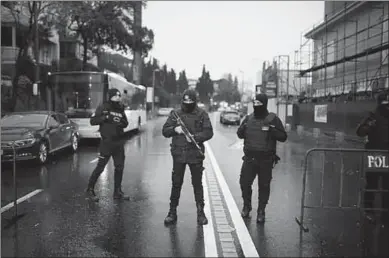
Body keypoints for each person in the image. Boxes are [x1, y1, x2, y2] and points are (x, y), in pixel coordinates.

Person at [162, 89, 214, 225]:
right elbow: (165, 131)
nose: (188, 103)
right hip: (179, 154)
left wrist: (195, 137)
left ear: (195, 101)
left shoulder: (202, 114)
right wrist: (175, 129)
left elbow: (209, 132)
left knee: (197, 184)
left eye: (191, 101)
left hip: (195, 154)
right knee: (176, 184)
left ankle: (200, 213)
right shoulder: (175, 114)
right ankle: (172, 212)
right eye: (186, 101)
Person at [237, 93, 287, 223]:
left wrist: (272, 130)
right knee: (244, 183)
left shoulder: (272, 119)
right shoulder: (248, 118)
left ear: (264, 104)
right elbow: (239, 135)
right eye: (255, 103)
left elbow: (283, 136)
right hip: (249, 159)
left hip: (266, 160)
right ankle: (247, 206)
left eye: (259, 103)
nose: (256, 105)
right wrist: (243, 128)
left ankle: (261, 211)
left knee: (264, 186)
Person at [86, 88, 130, 202]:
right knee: (100, 167)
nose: (118, 98)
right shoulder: (103, 107)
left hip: (119, 143)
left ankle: (117, 192)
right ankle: (90, 190)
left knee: (119, 167)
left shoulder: (120, 109)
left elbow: (126, 123)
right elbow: (92, 121)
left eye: (119, 96)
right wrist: (105, 118)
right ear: (110, 96)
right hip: (107, 143)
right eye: (115, 96)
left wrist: (120, 123)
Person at [356, 91, 389, 222]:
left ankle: (385, 211)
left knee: (387, 185)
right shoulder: (373, 116)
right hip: (376, 154)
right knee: (373, 184)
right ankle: (369, 210)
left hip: (386, 154)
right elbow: (360, 132)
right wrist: (368, 126)